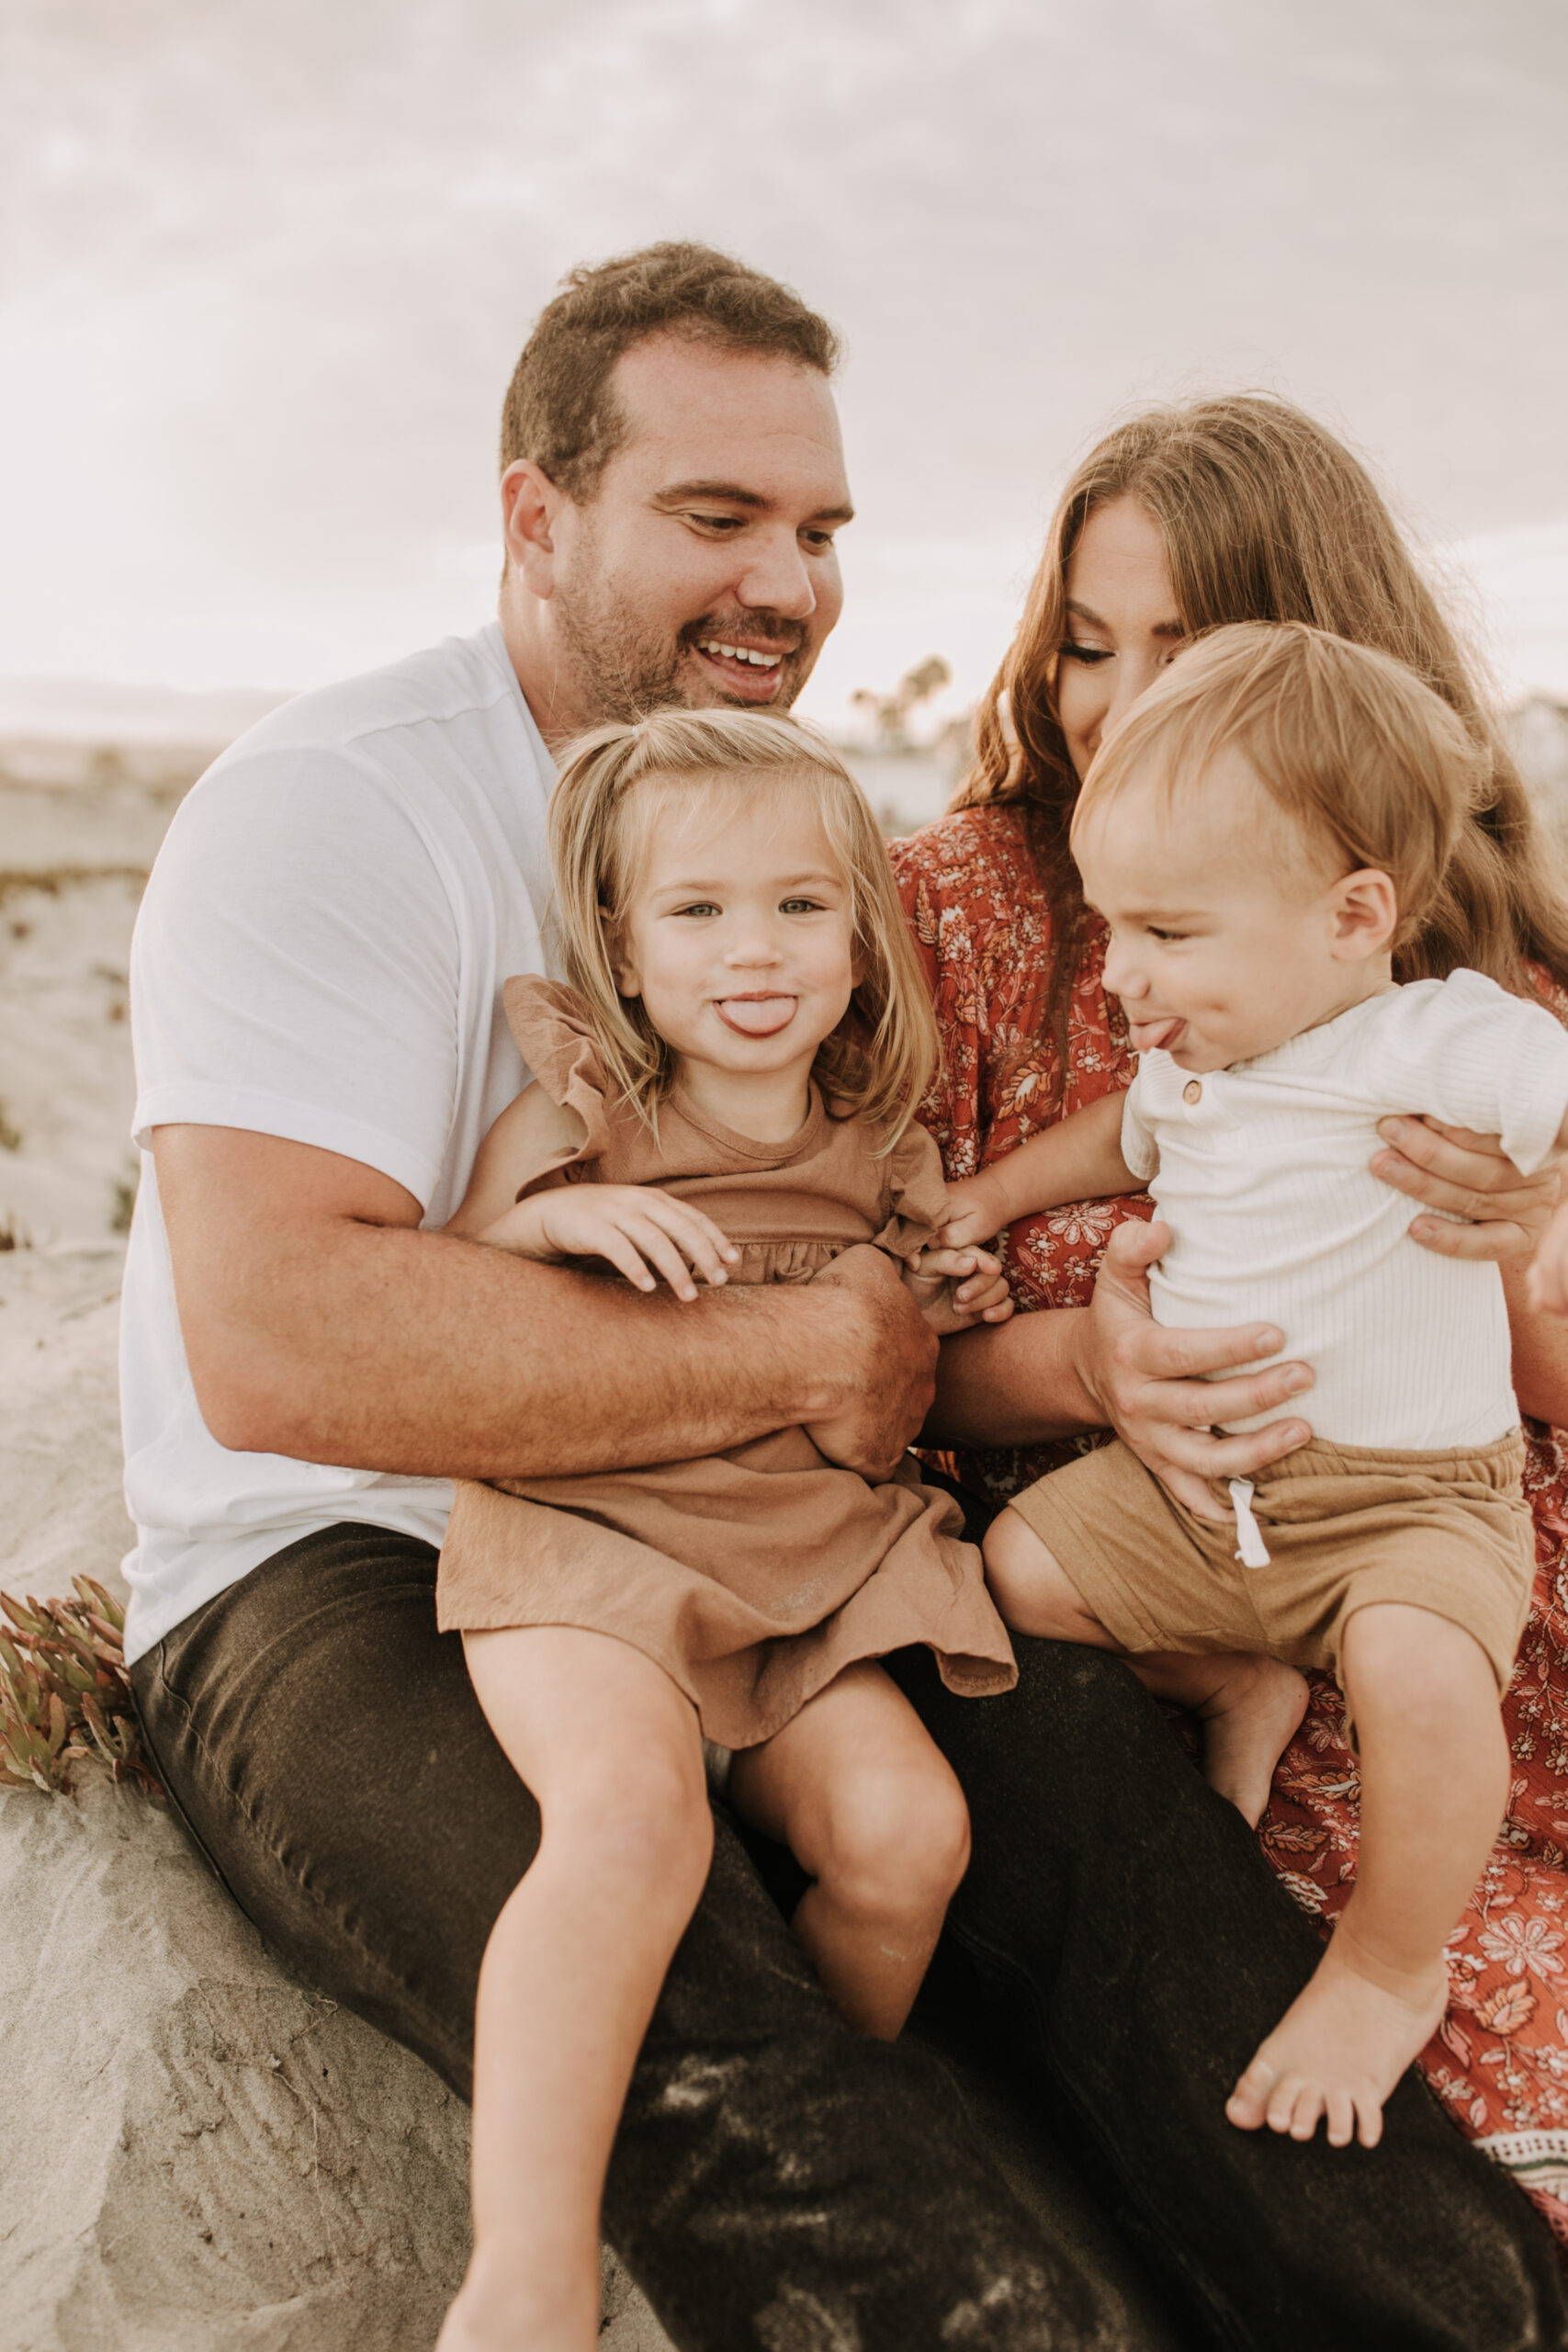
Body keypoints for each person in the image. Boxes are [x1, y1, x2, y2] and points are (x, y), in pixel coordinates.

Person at [122, 243, 1568, 2350]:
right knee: (742, 2055)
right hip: (359, 1551)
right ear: (534, 515)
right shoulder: (333, 805)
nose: (785, 583)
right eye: (713, 520)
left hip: (800, 1533)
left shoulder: (825, 855)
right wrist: (806, 1348)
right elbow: (276, 1350)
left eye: (817, 530)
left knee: (1152, 1920)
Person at [891, 391, 1568, 2249]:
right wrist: (1079, 1365)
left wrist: (1525, 1238)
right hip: (1124, 1603)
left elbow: (1546, 1381)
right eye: (1083, 645)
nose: (1113, 701)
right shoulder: (949, 909)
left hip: (1420, 1586)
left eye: (1179, 646)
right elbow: (858, 1337)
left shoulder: (1443, 972)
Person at [434, 706, 1017, 2350]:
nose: (750, 952)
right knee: (629, 1820)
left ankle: (808, 2146)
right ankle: (529, 2275)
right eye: (695, 912)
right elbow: (456, 1296)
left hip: (804, 1554)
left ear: (861, 938)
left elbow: (919, 1339)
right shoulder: (584, 1112)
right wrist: (556, 1219)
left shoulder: (879, 1145)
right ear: (620, 950)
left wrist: (943, 1292)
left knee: (910, 1841)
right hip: (591, 1539)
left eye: (798, 907)